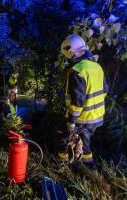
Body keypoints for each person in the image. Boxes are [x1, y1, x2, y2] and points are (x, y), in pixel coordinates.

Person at [58, 34, 108, 167]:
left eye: (67, 56)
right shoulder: (97, 67)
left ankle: (86, 172)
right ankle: (73, 164)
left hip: (83, 119)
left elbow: (77, 102)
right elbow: (105, 90)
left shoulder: (77, 71)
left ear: (71, 53)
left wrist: (71, 121)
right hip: (97, 117)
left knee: (81, 147)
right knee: (82, 143)